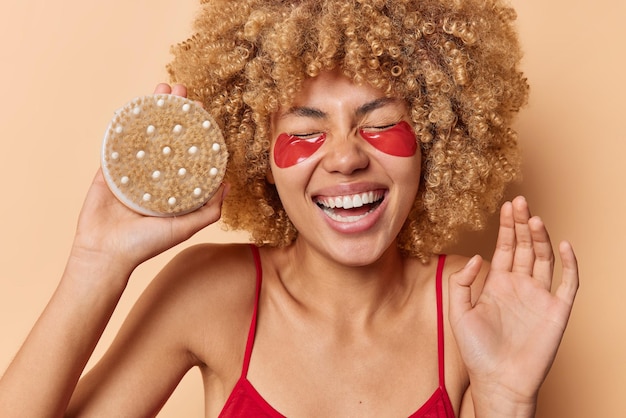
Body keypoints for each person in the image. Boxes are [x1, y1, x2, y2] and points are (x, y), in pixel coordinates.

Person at [0, 0, 579, 416]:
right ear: (258, 155)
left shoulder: (476, 304)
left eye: (378, 123)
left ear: (435, 137)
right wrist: (94, 262)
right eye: (306, 131)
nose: (346, 158)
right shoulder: (209, 296)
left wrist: (507, 402)